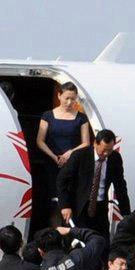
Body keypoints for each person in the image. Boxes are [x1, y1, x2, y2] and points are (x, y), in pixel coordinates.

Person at [57, 129, 131, 244]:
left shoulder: (115, 158)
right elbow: (62, 180)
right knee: (78, 243)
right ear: (95, 144)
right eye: (103, 150)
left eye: (110, 150)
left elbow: (120, 185)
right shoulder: (80, 156)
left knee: (102, 242)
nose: (106, 154)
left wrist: (126, 213)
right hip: (79, 207)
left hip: (100, 207)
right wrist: (65, 205)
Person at [36, 82, 90, 215]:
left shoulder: (81, 118)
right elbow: (40, 141)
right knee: (53, 199)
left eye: (73, 99)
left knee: (70, 198)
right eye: (67, 98)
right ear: (59, 95)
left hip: (72, 164)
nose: (70, 102)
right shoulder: (48, 115)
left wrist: (70, 153)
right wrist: (54, 156)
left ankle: (68, 225)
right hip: (51, 162)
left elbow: (86, 143)